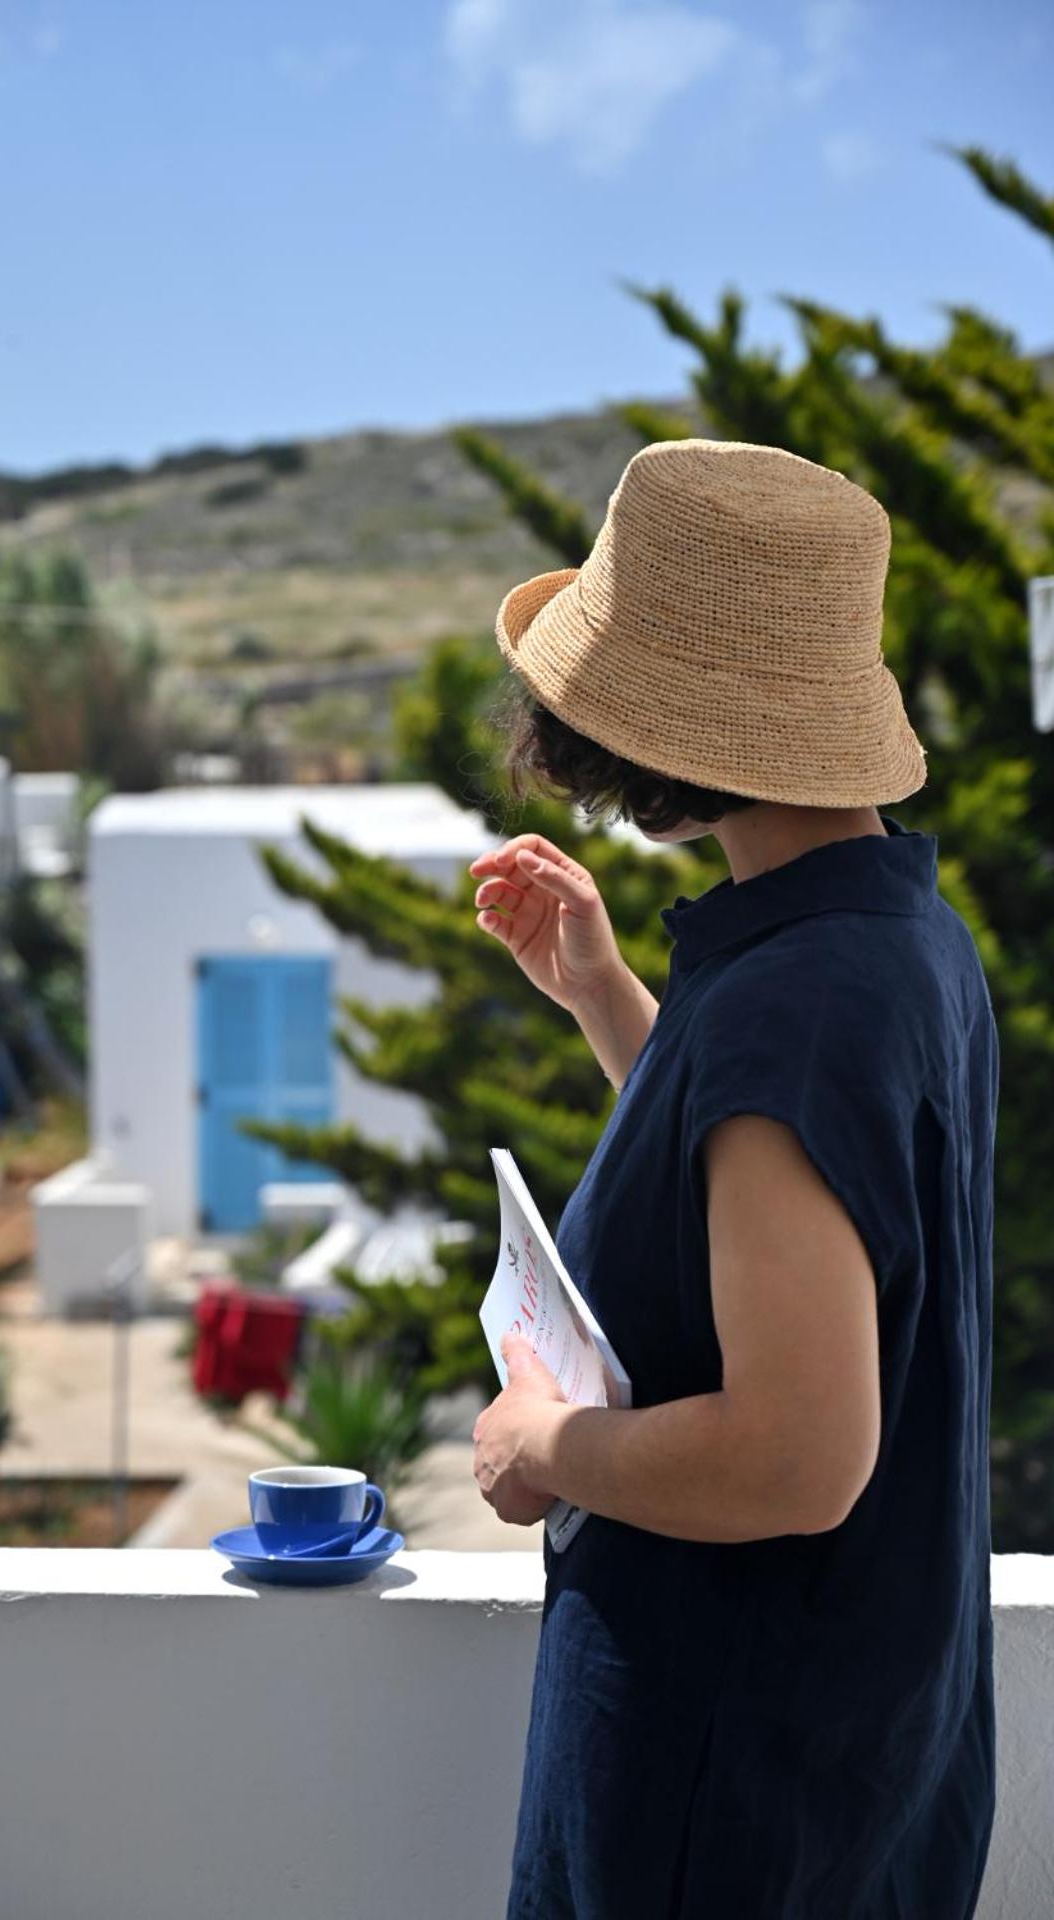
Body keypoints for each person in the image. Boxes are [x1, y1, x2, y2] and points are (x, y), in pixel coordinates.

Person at [468, 439, 997, 1919]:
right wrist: (605, 998)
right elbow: (783, 1204)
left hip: (726, 1801)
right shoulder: (895, 941)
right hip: (852, 1759)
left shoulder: (793, 1000)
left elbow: (794, 1457)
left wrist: (543, 1444)